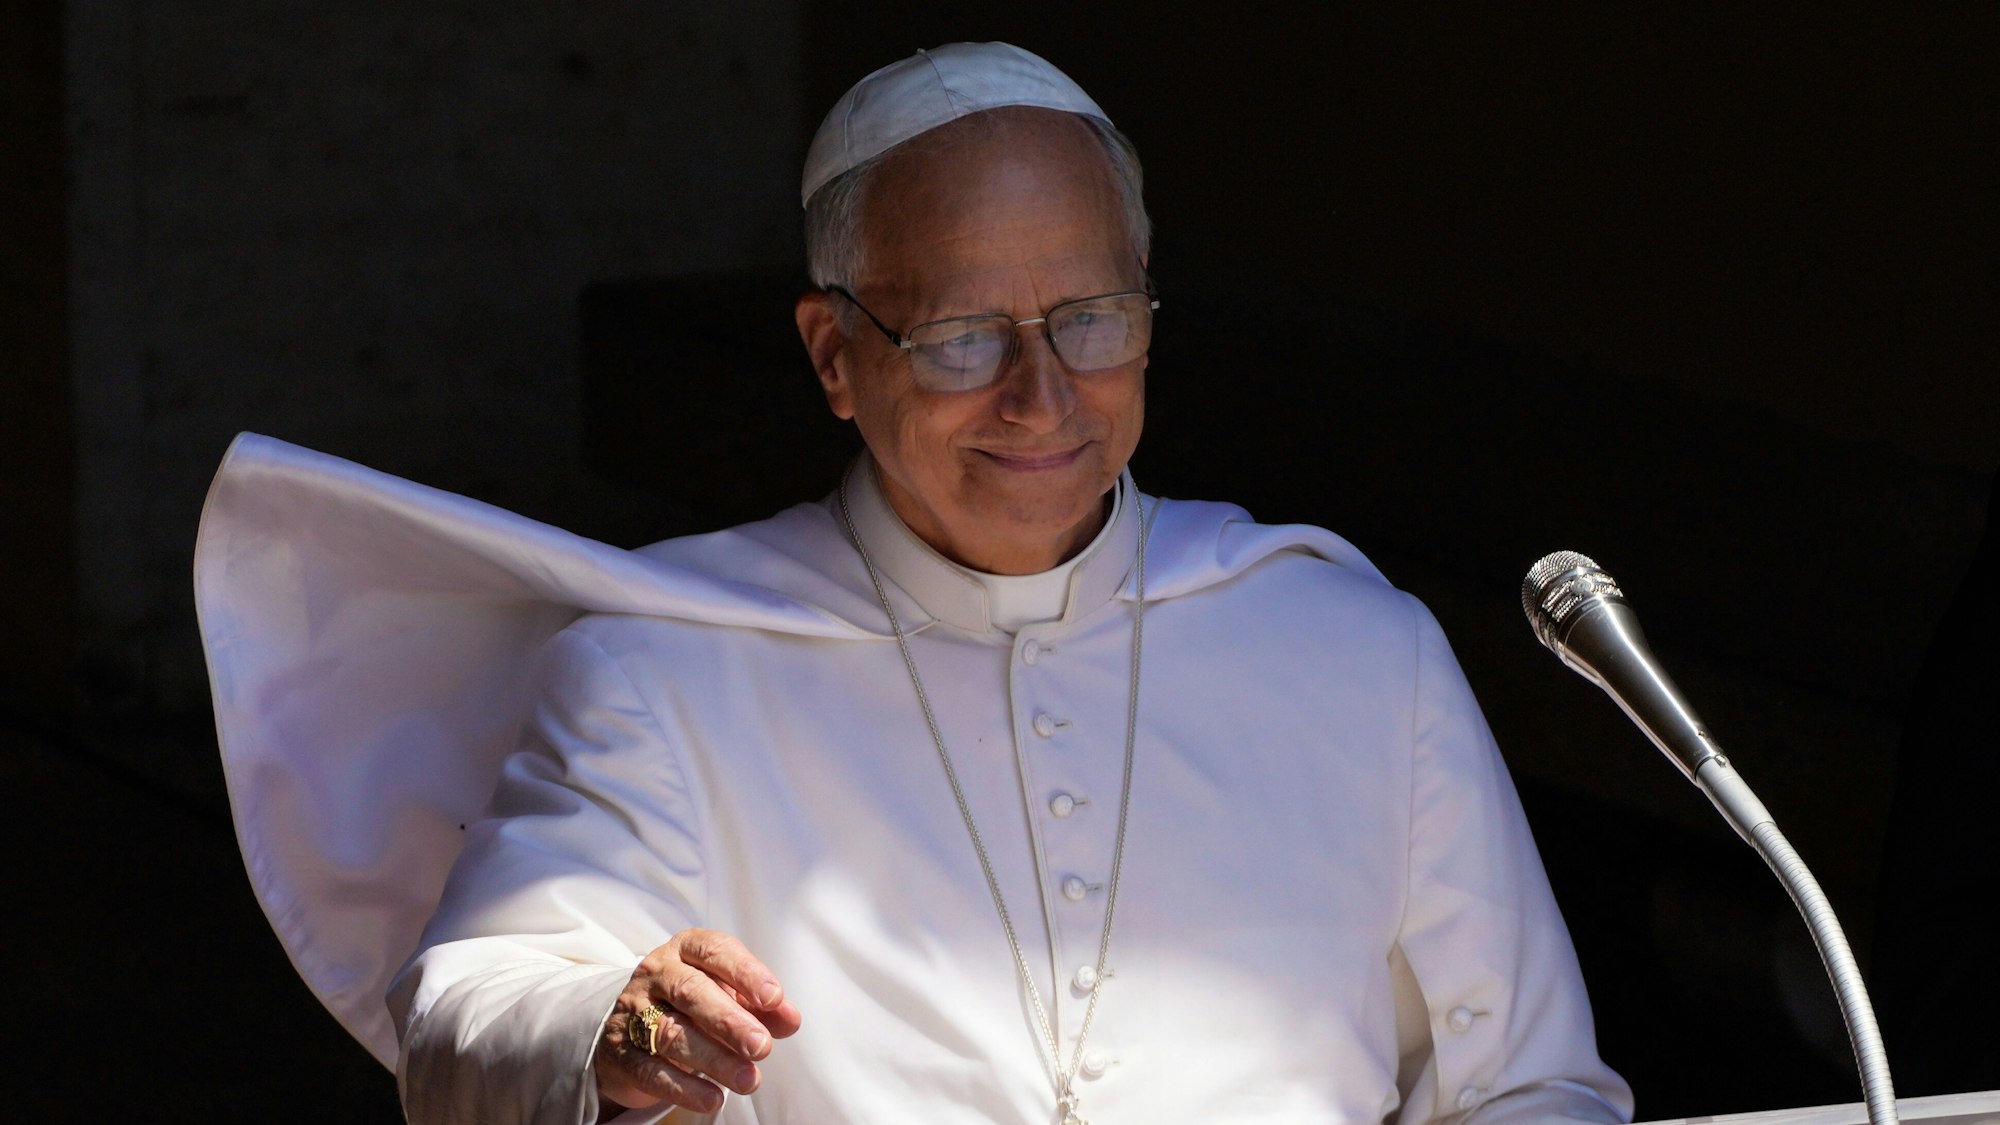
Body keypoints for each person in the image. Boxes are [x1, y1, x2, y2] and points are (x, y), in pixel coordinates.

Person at [197, 42, 1631, 1125]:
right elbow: (470, 1006)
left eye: (1091, 320)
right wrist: (609, 1020)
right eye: (960, 336)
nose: (1041, 395)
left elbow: (1535, 1084)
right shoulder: (669, 665)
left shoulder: (1356, 651)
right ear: (833, 355)